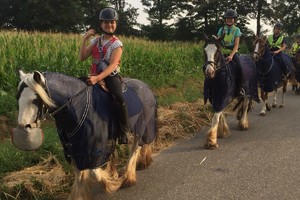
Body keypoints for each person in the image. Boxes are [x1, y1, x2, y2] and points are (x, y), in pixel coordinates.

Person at [79, 7, 129, 144]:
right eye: (106, 22)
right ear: (101, 24)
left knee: (119, 97)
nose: (110, 25)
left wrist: (97, 78)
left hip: (110, 77)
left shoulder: (117, 44)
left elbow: (113, 65)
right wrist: (85, 39)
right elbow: (82, 57)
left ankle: (124, 130)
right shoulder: (95, 41)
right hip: (94, 75)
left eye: (112, 22)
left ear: (116, 24)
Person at [217, 9, 244, 96]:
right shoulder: (221, 29)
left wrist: (231, 56)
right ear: (225, 19)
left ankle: (240, 88)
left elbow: (236, 45)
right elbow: (218, 42)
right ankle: (209, 87)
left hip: (233, 52)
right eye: (227, 18)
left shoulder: (237, 30)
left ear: (234, 20)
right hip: (222, 51)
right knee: (211, 65)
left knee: (240, 67)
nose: (229, 20)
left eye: (231, 19)